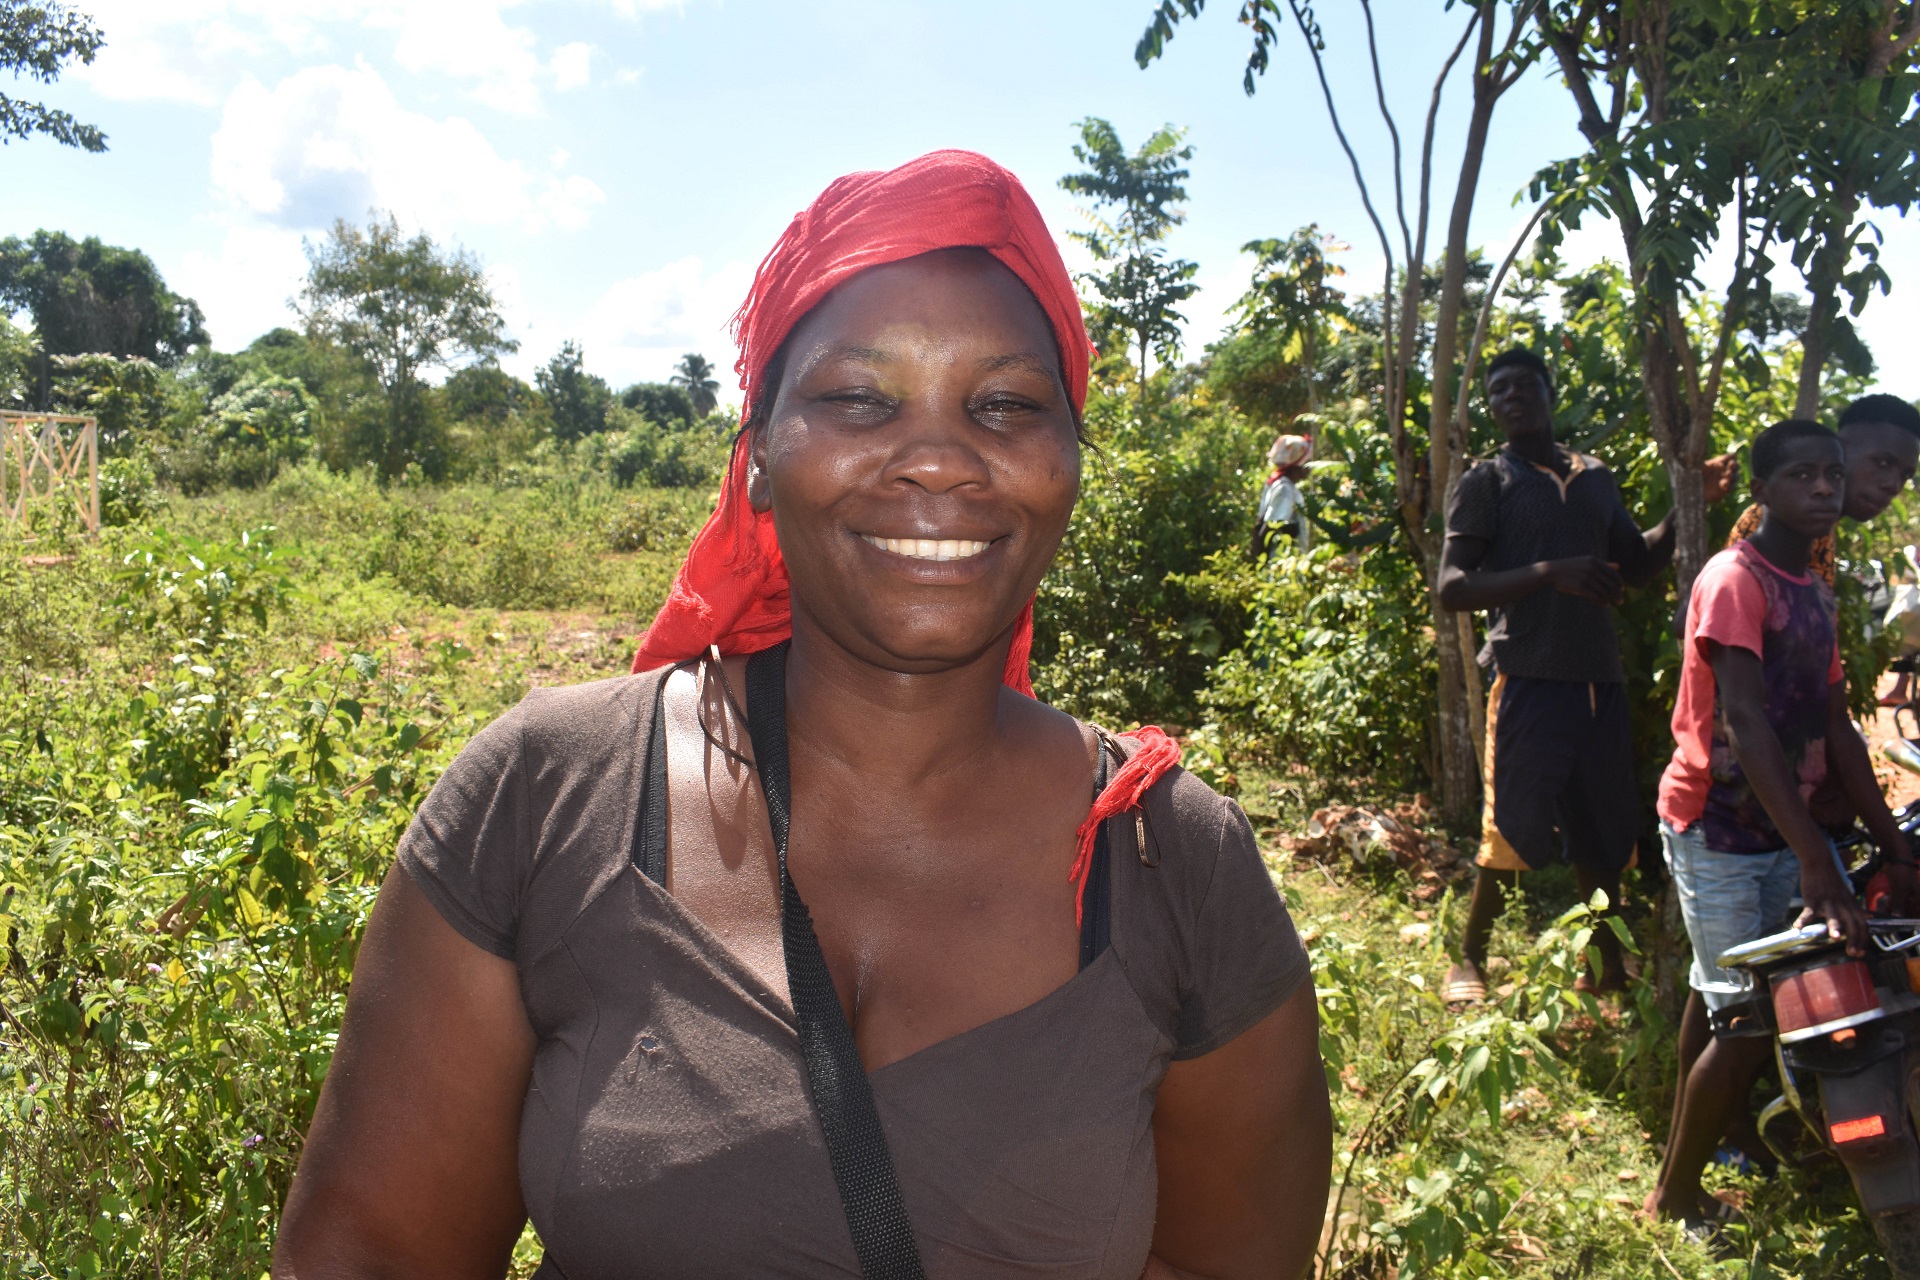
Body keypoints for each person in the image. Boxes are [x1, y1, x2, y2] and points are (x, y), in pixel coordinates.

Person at [271, 150, 1332, 1280]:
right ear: (759, 458)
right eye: (859, 398)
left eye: (1007, 403)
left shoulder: (1174, 855)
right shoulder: (548, 790)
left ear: (1068, 461)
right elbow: (372, 1250)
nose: (936, 458)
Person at [1648, 419, 1918, 1228]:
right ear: (1760, 491)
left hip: (1779, 828)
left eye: (1832, 476)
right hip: (1720, 828)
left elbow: (1836, 725)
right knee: (1746, 1019)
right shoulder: (1737, 580)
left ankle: (1701, 1135)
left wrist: (1894, 844)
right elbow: (1744, 723)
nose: (1827, 491)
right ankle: (1675, 1195)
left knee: (1729, 992)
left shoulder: (1814, 591)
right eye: (1803, 478)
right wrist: (1817, 862)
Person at [1438, 348, 1736, 1004]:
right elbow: (1452, 588)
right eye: (1498, 391)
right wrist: (1549, 573)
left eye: (1523, 384)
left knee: (1603, 832)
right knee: (1512, 828)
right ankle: (1470, 958)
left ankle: (1603, 964)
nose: (1510, 396)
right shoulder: (1490, 480)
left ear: (1549, 391)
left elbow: (1634, 564)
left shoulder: (1595, 477)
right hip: (1528, 673)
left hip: (1600, 677)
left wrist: (1694, 504)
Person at [1252, 433, 1312, 559]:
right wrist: (1260, 563)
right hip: (1281, 563)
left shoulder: (1282, 485)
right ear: (1298, 463)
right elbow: (1270, 527)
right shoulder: (1285, 489)